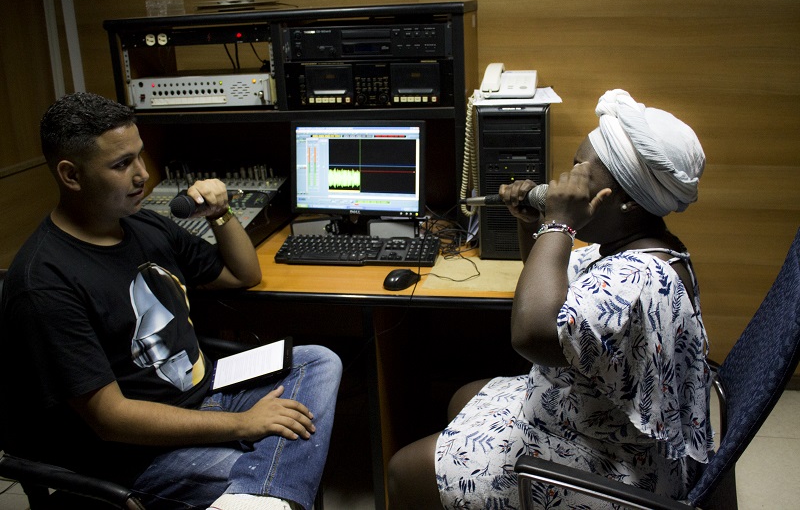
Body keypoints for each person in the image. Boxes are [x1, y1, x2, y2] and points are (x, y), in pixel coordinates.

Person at [0, 92, 342, 510]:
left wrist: (220, 214)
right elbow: (110, 419)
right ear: (71, 175)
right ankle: (264, 493)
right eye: (122, 164)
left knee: (319, 360)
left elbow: (242, 274)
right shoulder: (44, 283)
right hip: (139, 453)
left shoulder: (143, 224)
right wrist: (242, 424)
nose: (143, 175)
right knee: (269, 460)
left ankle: (259, 495)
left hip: (209, 390)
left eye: (140, 156)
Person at [388, 89, 712, 508]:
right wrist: (533, 225)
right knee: (461, 396)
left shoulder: (636, 281)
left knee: (403, 470)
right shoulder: (636, 248)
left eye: (580, 175)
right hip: (584, 414)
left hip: (608, 463)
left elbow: (533, 333)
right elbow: (549, 289)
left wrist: (559, 223)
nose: (563, 184)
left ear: (629, 200)